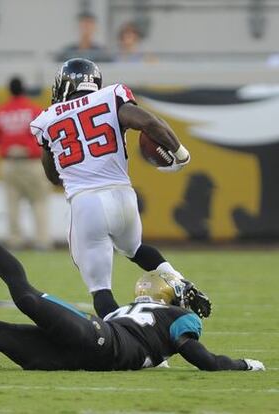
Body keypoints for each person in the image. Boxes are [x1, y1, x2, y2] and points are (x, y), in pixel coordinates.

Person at [0, 201, 265, 372]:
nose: (148, 284)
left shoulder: (173, 315)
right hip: (99, 340)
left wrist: (238, 364)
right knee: (26, 298)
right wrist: (240, 366)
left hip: (78, 357)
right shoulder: (143, 315)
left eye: (156, 281)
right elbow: (191, 355)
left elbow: (201, 358)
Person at [29, 58, 211, 319]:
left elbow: (53, 176)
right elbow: (150, 123)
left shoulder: (46, 120)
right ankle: (177, 280)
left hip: (87, 202)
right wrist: (180, 154)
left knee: (100, 291)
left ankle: (127, 342)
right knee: (136, 249)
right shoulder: (111, 96)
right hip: (123, 196)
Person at [0, 77, 52, 250]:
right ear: (24, 89)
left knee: (12, 204)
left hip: (9, 162)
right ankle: (42, 241)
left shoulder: (1, 111)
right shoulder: (33, 110)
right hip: (32, 162)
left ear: (9, 90)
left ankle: (15, 241)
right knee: (39, 202)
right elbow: (45, 135)